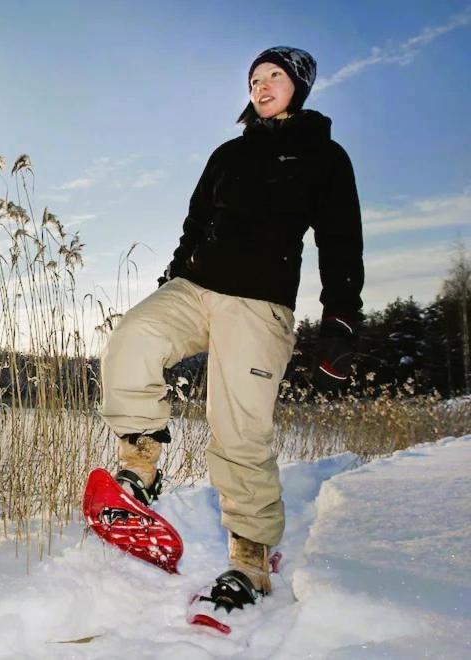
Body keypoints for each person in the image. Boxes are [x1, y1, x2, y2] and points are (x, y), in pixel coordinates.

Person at [99, 46, 364, 610]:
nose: (262, 86)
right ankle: (140, 467)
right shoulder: (228, 154)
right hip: (197, 287)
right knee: (132, 339)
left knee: (238, 429)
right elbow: (196, 220)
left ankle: (249, 561)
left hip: (259, 304)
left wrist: (340, 317)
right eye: (254, 78)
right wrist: (175, 274)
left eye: (275, 77)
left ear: (299, 87)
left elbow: (341, 240)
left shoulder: (325, 156)